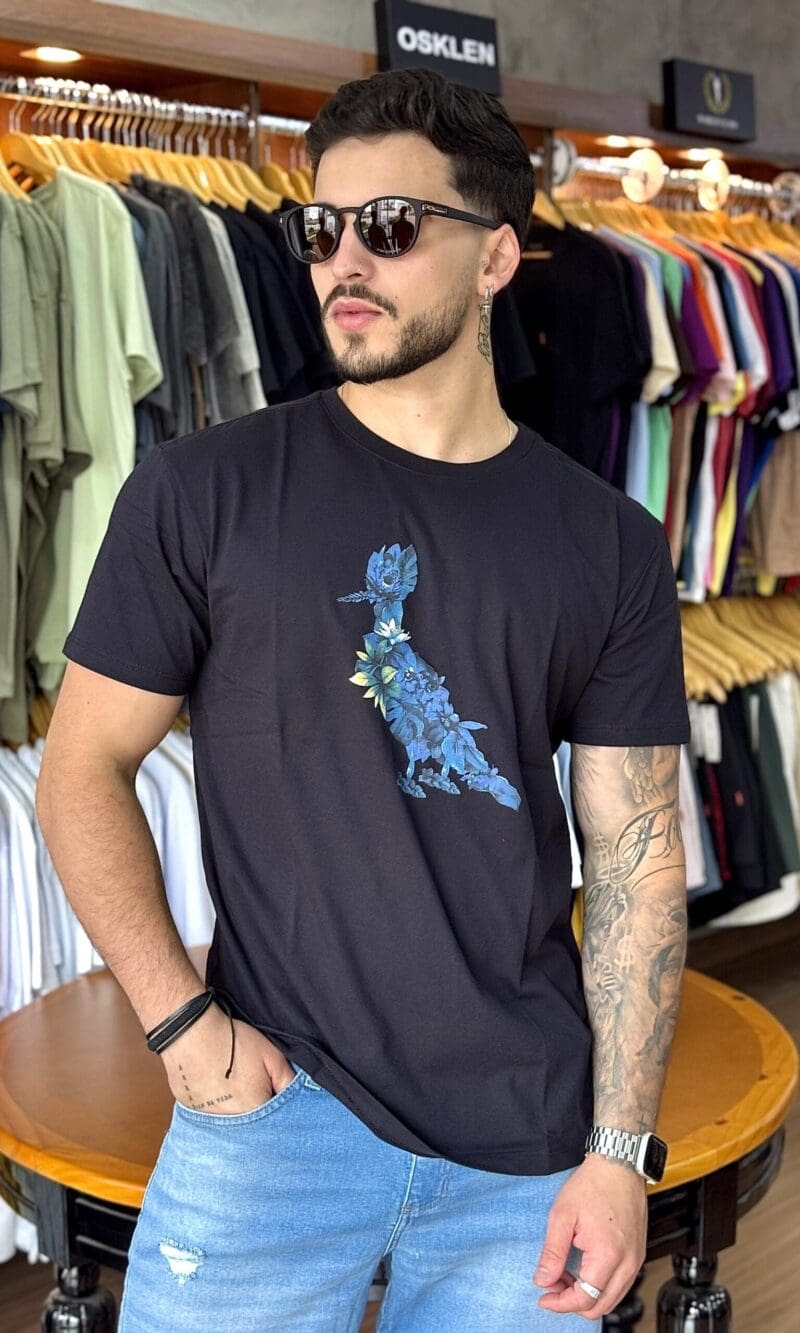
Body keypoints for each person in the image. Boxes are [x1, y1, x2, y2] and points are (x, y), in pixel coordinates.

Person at [36, 66, 690, 1332]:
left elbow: (634, 853)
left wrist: (618, 1149)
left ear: (495, 256)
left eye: (390, 226)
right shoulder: (202, 491)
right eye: (320, 227)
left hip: (525, 1142)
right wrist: (185, 1033)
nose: (343, 258)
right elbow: (81, 769)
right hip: (273, 1119)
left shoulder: (605, 542)